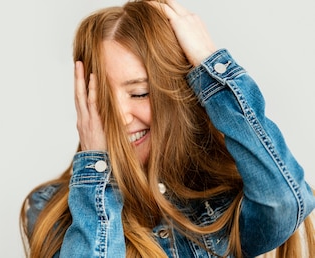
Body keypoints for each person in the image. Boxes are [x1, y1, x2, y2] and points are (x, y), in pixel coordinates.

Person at [19, 0, 315, 257]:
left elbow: (284, 202)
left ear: (178, 95)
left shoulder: (218, 204)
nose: (121, 117)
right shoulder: (53, 210)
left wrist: (212, 67)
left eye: (139, 94)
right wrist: (96, 167)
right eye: (103, 100)